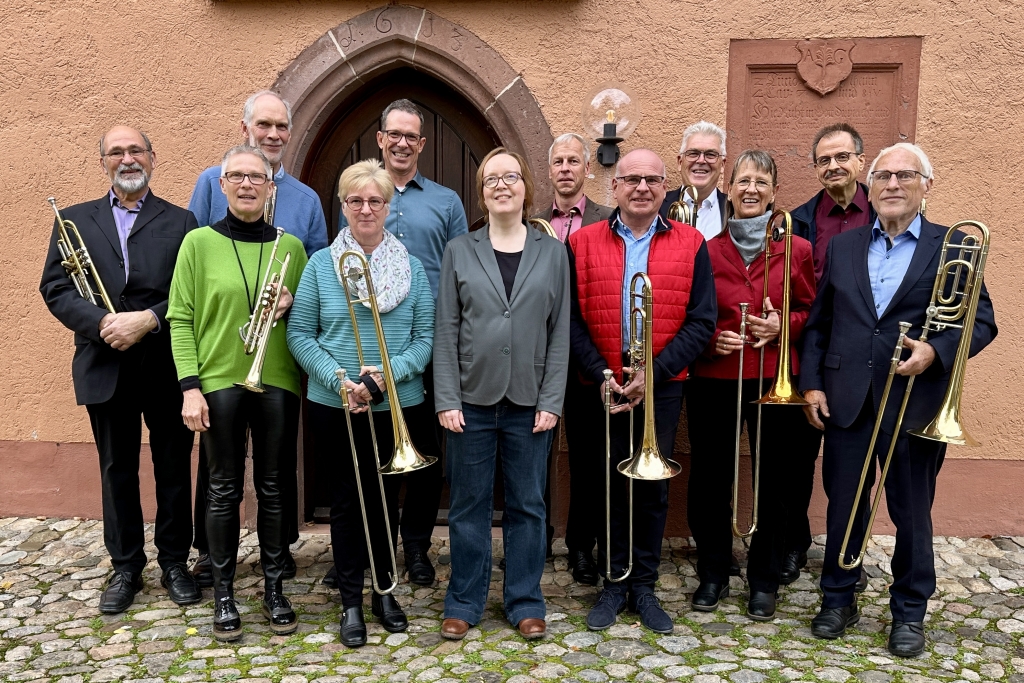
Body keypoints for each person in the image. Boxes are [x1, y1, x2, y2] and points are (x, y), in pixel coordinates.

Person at [800, 143, 996, 656]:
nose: (891, 184)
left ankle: (909, 611)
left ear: (926, 185)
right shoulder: (844, 248)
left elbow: (981, 320)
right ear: (871, 183)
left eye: (905, 175)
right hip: (847, 400)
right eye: (883, 175)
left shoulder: (955, 247)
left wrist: (936, 350)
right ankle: (838, 597)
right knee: (844, 507)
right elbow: (820, 325)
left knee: (912, 514)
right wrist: (812, 383)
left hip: (914, 405)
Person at [39, 126, 201, 614]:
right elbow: (56, 289)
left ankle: (174, 561)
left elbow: (193, 290)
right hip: (104, 359)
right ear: (103, 162)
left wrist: (149, 319)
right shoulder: (72, 221)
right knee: (117, 469)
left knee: (174, 467)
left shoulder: (183, 219)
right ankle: (126, 565)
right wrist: (104, 321)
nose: (127, 159)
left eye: (136, 150)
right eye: (117, 152)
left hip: (166, 362)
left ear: (153, 158)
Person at [287, 159, 438, 648]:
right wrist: (341, 380)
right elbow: (300, 334)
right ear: (344, 206)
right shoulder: (319, 266)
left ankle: (384, 589)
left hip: (396, 402)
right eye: (357, 200)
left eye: (376, 200)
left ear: (388, 208)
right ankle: (351, 599)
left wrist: (380, 382)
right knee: (348, 504)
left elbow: (423, 340)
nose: (366, 209)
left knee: (384, 503)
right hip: (336, 404)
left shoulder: (412, 269)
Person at [570, 149, 717, 634]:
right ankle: (613, 584)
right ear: (614, 187)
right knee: (606, 485)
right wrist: (604, 373)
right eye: (631, 179)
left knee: (651, 489)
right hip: (603, 385)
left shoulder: (693, 243)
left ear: (664, 187)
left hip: (663, 386)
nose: (641, 188)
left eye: (652, 180)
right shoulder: (583, 242)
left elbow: (702, 323)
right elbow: (569, 321)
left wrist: (650, 374)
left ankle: (645, 586)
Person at [187, 90, 328, 587]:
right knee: (218, 470)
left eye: (281, 126)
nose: (272, 134)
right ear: (245, 127)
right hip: (225, 352)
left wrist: (293, 296)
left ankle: (280, 550)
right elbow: (198, 255)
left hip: (277, 357)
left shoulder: (306, 201)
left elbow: (315, 273)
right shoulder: (210, 181)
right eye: (263, 124)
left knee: (276, 469)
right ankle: (209, 552)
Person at [169, 145, 309, 641]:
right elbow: (180, 319)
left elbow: (308, 318)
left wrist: (292, 302)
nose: (247, 184)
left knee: (273, 487)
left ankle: (273, 587)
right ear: (222, 184)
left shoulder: (291, 249)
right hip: (220, 379)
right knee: (223, 487)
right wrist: (190, 387)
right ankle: (224, 590)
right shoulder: (198, 244)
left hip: (277, 380)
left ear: (271, 189)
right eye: (237, 176)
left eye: (258, 177)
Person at [434, 148, 569, 641]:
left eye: (511, 177)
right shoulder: (459, 250)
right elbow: (446, 329)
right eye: (492, 179)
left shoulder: (553, 253)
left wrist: (552, 401)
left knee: (528, 506)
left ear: (525, 187)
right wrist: (446, 398)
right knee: (468, 506)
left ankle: (525, 600)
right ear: (482, 191)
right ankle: (465, 601)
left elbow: (560, 333)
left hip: (530, 401)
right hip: (470, 399)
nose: (502, 185)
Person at [334, 99, 469, 588]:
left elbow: (460, 267)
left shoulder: (447, 201)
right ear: (381, 138)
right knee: (371, 446)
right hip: (364, 343)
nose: (403, 142)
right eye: (395, 133)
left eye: (412, 135)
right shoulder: (360, 192)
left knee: (423, 449)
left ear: (422, 143)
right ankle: (370, 543)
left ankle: (415, 546)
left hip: (425, 341)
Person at [685, 150, 815, 620]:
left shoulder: (796, 249)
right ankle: (714, 571)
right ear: (729, 188)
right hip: (715, 379)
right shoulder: (704, 248)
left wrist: (786, 326)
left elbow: (812, 311)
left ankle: (764, 580)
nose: (751, 189)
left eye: (761, 181)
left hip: (774, 379)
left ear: (775, 193)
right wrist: (710, 343)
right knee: (710, 478)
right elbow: (692, 315)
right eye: (743, 181)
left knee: (774, 481)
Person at [784, 123, 877, 588]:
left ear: (861, 161)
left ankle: (848, 553)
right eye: (823, 160)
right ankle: (794, 545)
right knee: (795, 461)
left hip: (862, 357)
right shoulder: (799, 219)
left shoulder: (883, 212)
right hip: (807, 352)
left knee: (852, 470)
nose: (833, 166)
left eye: (842, 157)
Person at [531, 132, 613, 584]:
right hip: (538, 358)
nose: (565, 168)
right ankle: (535, 539)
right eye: (558, 161)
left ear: (587, 169)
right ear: (549, 171)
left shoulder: (608, 219)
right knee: (534, 454)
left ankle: (583, 545)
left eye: (573, 161)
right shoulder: (530, 223)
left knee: (587, 457)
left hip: (586, 357)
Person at [659, 121, 729, 240]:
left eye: (710, 154)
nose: (701, 161)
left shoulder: (734, 210)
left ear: (722, 165)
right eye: (693, 153)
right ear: (680, 162)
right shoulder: (657, 206)